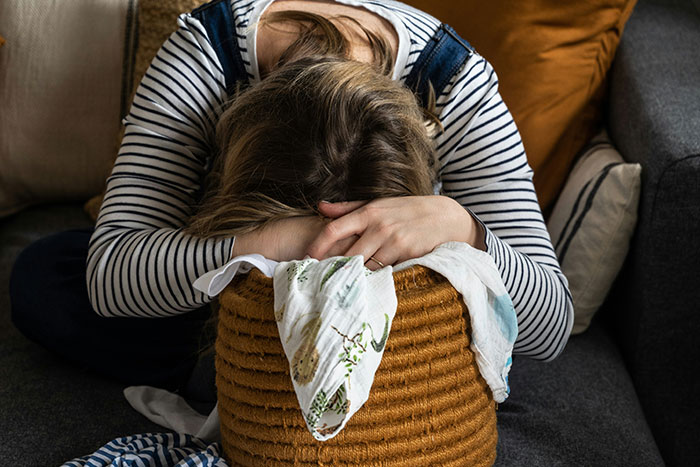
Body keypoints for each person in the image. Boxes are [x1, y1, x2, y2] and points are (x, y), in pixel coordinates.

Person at [10, 0, 573, 392]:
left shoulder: (456, 83)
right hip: (229, 288)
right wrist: (278, 242)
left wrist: (459, 227)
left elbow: (552, 324)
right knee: (46, 276)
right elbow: (112, 275)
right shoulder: (207, 55)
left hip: (391, 306)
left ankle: (239, 380)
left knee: (493, 332)